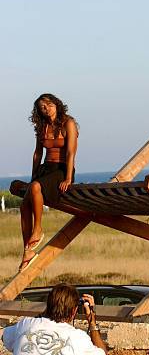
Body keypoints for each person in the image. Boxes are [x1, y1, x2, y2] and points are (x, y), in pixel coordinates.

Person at [19, 94, 78, 272]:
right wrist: (33, 176)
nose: (47, 108)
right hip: (46, 169)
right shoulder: (42, 127)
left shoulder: (69, 123)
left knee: (36, 187)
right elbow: (38, 153)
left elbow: (70, 154)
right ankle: (27, 251)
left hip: (62, 170)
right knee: (24, 206)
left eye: (49, 104)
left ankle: (38, 230)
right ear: (39, 111)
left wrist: (68, 178)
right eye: (42, 107)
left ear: (57, 104)